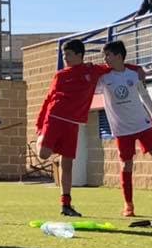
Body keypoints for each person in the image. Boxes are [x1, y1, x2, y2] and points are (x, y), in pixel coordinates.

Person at [36, 39, 144, 217]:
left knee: (68, 163)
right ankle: (41, 139)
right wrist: (40, 125)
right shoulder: (60, 75)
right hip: (54, 118)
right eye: (64, 55)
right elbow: (48, 99)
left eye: (69, 55)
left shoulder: (92, 70)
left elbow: (116, 65)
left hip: (73, 123)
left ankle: (66, 204)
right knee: (44, 154)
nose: (66, 58)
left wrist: (137, 69)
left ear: (79, 55)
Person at [96, 41, 152, 217]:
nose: (105, 59)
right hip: (122, 129)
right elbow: (90, 80)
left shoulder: (134, 74)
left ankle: (144, 146)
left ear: (119, 56)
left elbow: (144, 94)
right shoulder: (104, 77)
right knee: (126, 165)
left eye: (108, 55)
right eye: (104, 56)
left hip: (142, 123)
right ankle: (128, 205)